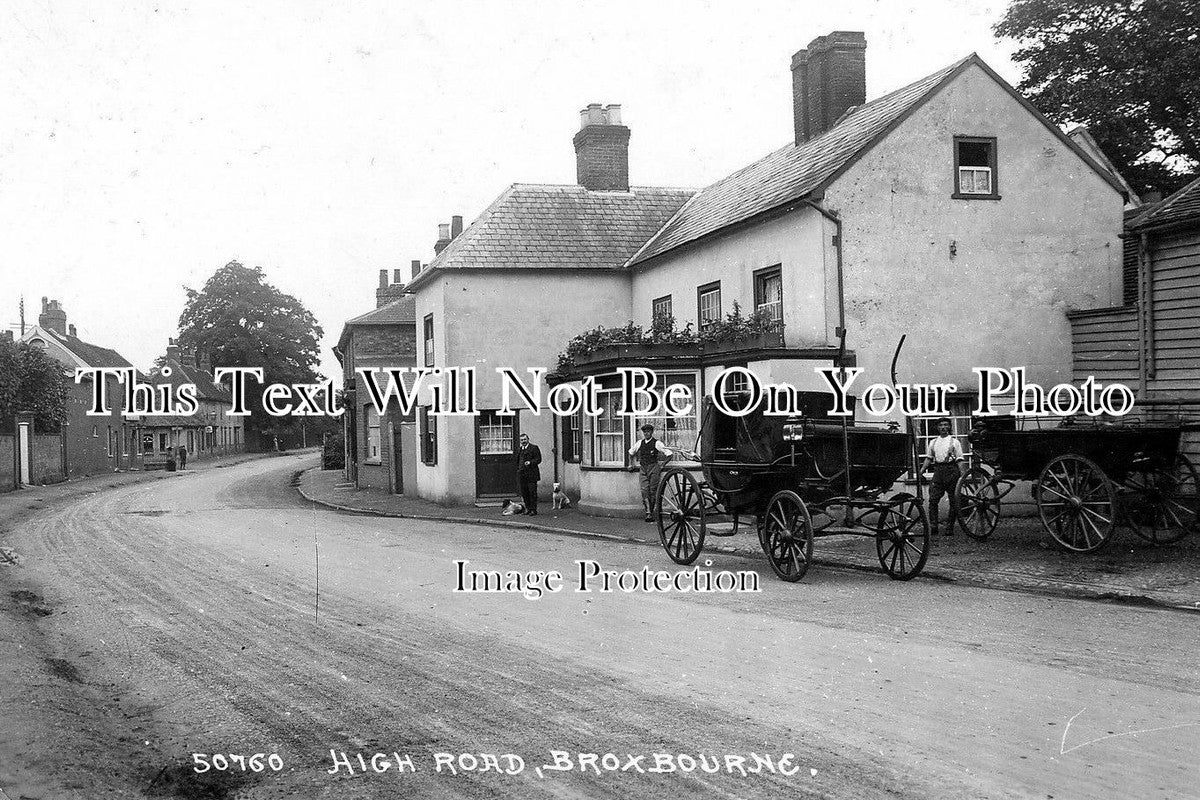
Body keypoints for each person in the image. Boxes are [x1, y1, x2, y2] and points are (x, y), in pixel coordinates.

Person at [919, 418, 967, 536]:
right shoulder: (933, 442)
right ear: (937, 427)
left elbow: (960, 460)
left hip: (952, 471)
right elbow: (929, 458)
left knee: (953, 500)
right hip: (938, 471)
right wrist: (921, 471)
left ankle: (949, 527)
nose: (943, 427)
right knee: (933, 500)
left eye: (946, 425)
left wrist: (963, 477)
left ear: (949, 427)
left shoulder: (955, 442)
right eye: (941, 425)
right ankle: (933, 526)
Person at [628, 423, 673, 522]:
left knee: (653, 490)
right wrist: (631, 464)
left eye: (648, 431)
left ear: (652, 432)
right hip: (643, 468)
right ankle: (648, 512)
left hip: (654, 468)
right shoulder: (640, 443)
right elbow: (631, 452)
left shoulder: (657, 443)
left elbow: (669, 454)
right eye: (645, 432)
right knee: (644, 490)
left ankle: (651, 513)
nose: (646, 433)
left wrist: (662, 465)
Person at [516, 433, 542, 516]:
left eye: (524, 439)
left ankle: (533, 510)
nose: (523, 441)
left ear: (528, 439)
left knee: (532, 493)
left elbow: (539, 459)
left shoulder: (534, 448)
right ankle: (528, 508)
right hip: (522, 475)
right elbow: (517, 461)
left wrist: (530, 462)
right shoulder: (520, 449)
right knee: (524, 493)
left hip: (531, 475)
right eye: (522, 440)